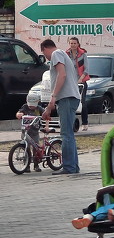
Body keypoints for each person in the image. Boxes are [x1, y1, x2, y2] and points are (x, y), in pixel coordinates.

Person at [40, 39, 81, 174]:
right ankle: (73, 167)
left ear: (45, 48)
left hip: (66, 98)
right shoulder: (63, 54)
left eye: (44, 53)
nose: (46, 58)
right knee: (69, 134)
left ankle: (69, 167)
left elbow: (61, 75)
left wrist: (53, 97)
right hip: (71, 97)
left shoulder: (56, 54)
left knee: (66, 134)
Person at [16, 92, 44, 172]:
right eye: (30, 104)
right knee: (26, 148)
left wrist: (46, 124)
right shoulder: (25, 107)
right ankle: (26, 165)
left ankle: (36, 165)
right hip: (25, 132)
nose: (31, 106)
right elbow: (19, 112)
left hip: (35, 132)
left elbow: (46, 115)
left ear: (38, 102)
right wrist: (19, 114)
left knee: (36, 149)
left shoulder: (39, 109)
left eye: (33, 104)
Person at [66, 37, 90, 131]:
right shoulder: (66, 54)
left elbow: (86, 69)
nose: (72, 45)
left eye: (74, 43)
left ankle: (85, 122)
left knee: (82, 102)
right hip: (70, 82)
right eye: (71, 43)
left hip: (81, 82)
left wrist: (80, 79)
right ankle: (71, 122)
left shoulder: (83, 54)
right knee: (70, 103)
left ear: (78, 44)